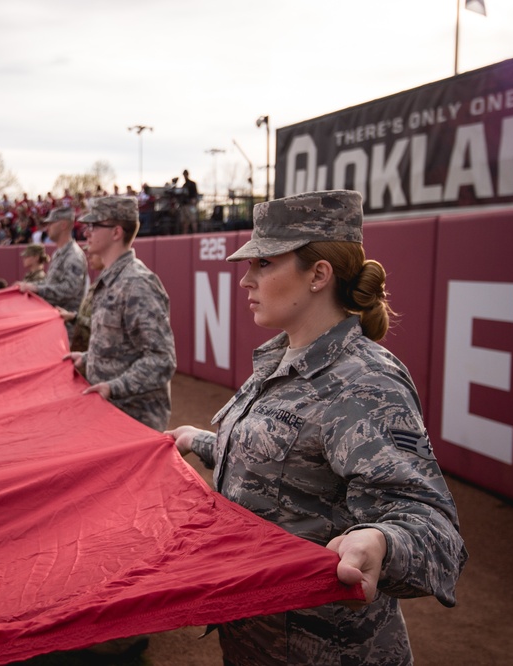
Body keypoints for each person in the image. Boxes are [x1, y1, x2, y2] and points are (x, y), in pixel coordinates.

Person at [166, 190, 467, 665]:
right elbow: (279, 460)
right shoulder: (279, 357)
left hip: (325, 649)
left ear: (318, 275)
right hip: (257, 637)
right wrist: (200, 439)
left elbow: (436, 532)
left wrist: (381, 543)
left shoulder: (365, 381)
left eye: (263, 264)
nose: (246, 281)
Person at [67, 196, 176, 432]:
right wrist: (87, 358)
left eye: (94, 226)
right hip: (112, 414)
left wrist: (114, 387)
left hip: (134, 420)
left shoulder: (137, 283)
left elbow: (162, 360)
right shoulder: (112, 280)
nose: (87, 233)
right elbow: (120, 346)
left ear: (117, 233)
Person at [18, 206, 87, 337]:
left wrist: (36, 289)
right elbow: (51, 282)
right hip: (56, 324)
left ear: (63, 225)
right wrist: (31, 286)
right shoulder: (59, 253)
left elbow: (70, 289)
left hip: (67, 329)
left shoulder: (73, 255)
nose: (47, 227)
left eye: (51, 223)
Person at [57, 250, 103, 354]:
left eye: (93, 253)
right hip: (85, 351)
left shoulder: (112, 283)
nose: (88, 257)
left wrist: (75, 318)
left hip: (94, 352)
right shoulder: (100, 280)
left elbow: (104, 326)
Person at [179, 169, 199, 235]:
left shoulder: (192, 184)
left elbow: (195, 194)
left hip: (191, 205)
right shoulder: (184, 185)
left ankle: (195, 234)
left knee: (193, 220)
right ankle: (185, 235)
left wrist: (194, 200)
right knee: (185, 222)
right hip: (185, 205)